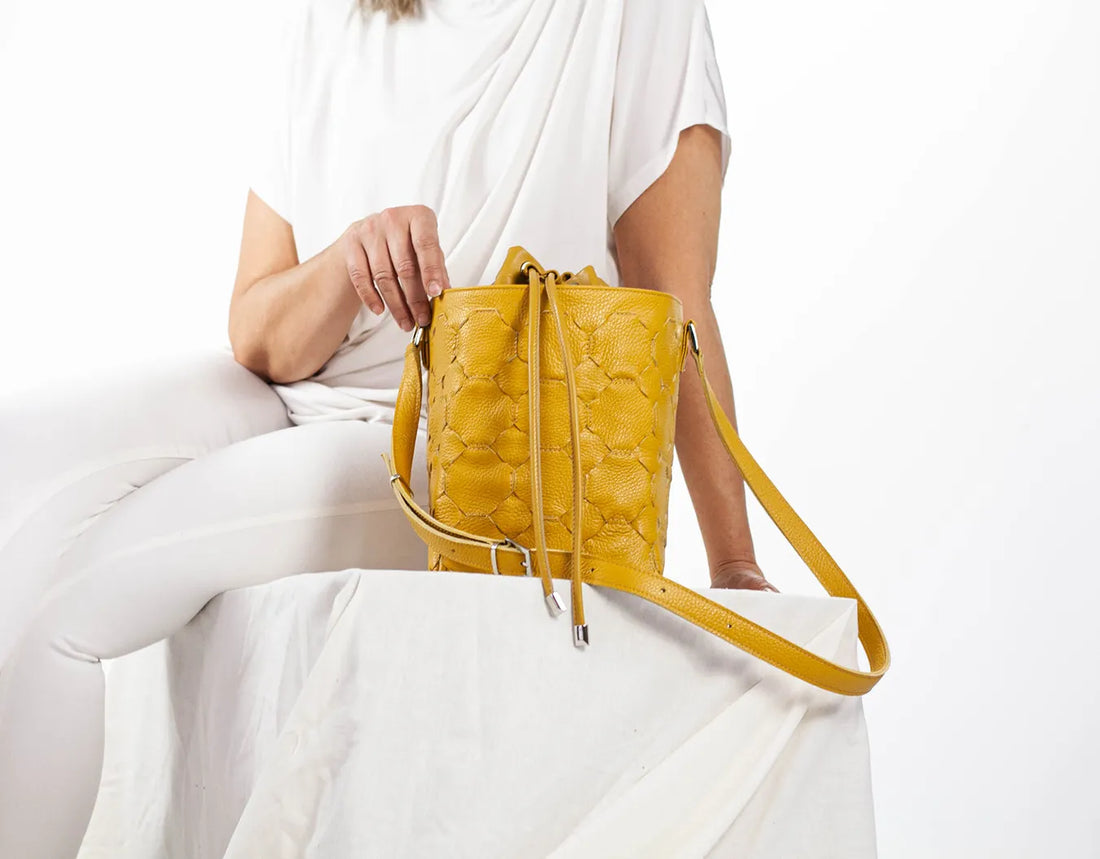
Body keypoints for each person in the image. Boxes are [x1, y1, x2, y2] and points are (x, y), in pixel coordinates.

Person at [0, 0, 777, 854]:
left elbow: (677, 305)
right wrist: (348, 263)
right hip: (292, 396)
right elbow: (259, 335)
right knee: (19, 456)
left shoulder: (629, 15)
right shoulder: (332, 17)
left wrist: (733, 562)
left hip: (466, 441)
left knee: (69, 604)